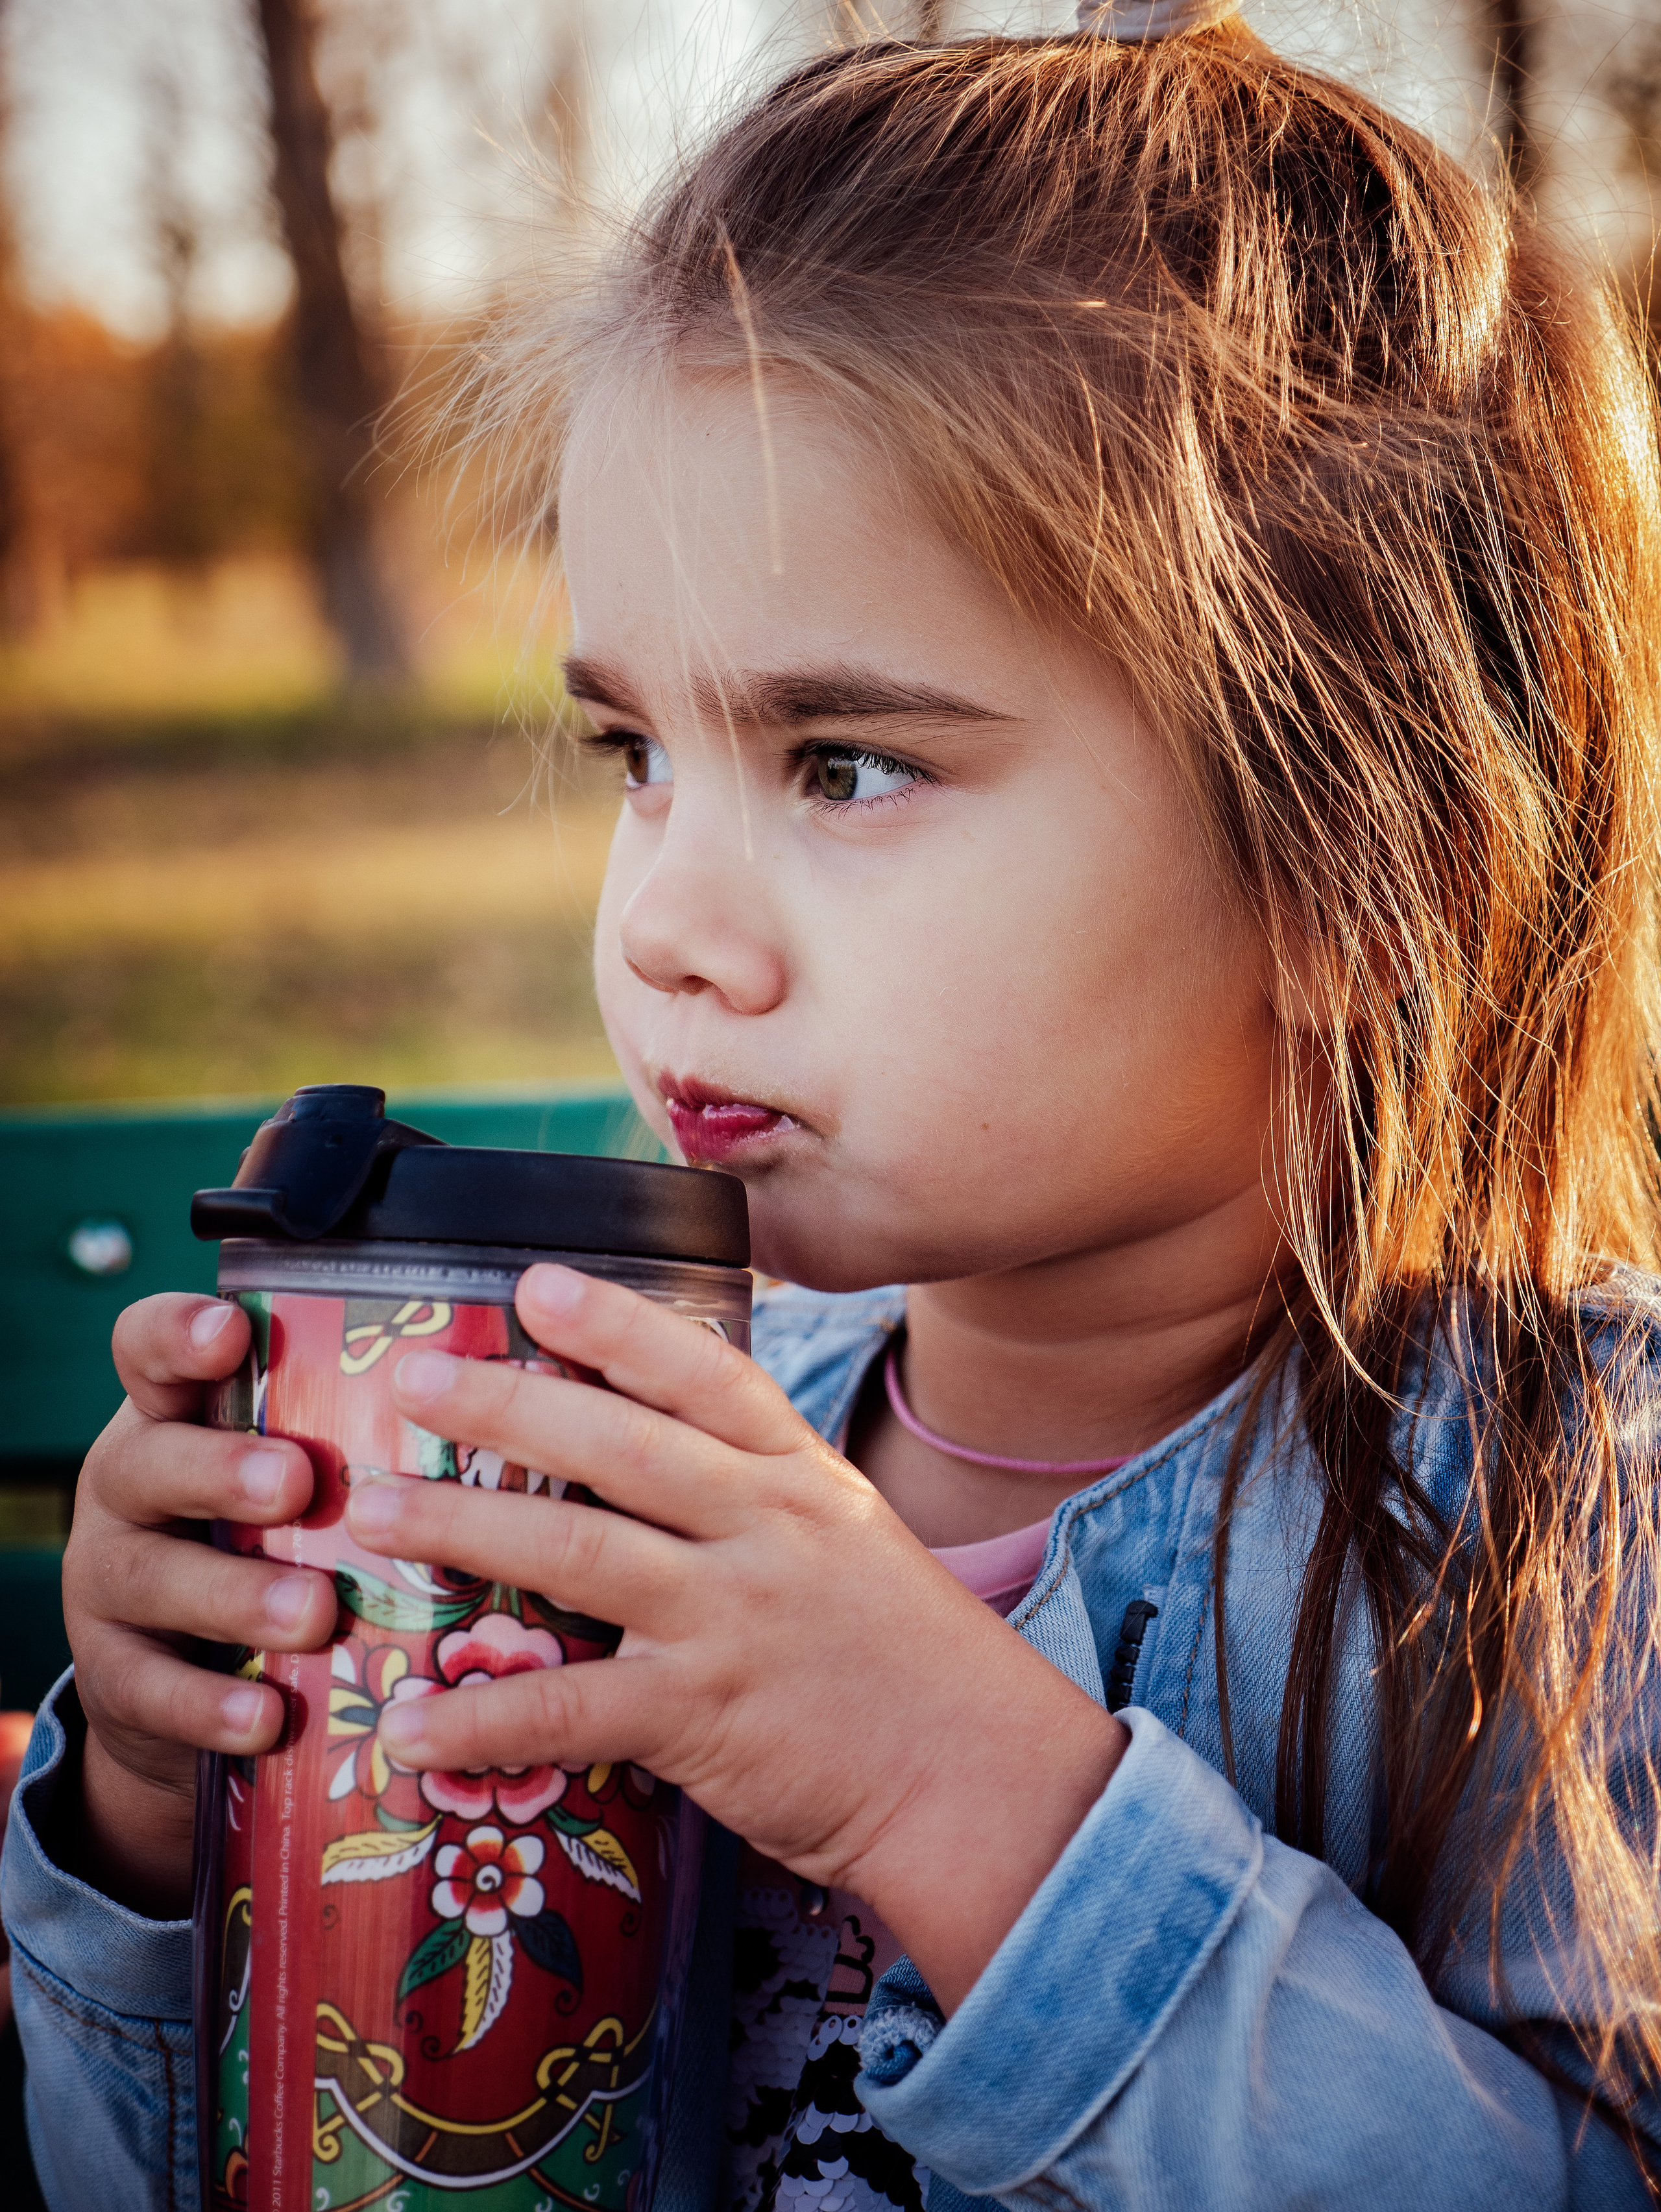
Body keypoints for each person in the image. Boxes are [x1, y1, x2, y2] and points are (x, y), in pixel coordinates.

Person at [6, 5, 1661, 2206]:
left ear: (1369, 866)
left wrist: (954, 1793)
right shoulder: (630, 1457)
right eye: (637, 756)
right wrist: (160, 1802)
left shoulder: (1578, 1531)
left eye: (847, 763)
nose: (669, 922)